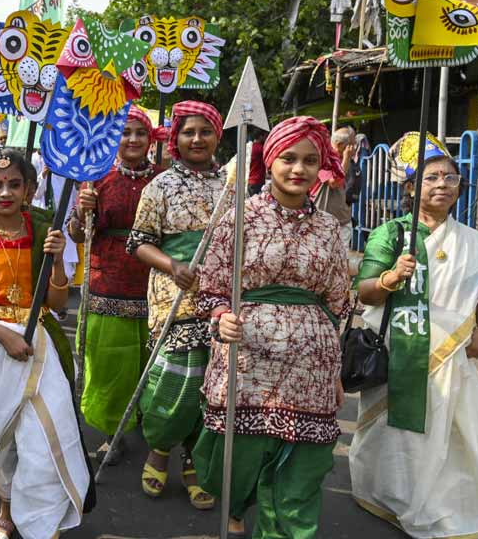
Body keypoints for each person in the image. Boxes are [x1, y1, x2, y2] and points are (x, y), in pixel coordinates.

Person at [350, 132, 478, 538]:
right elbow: (364, 290)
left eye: (450, 177)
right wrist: (392, 277)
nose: (443, 185)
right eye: (431, 178)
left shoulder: (471, 243)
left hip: (451, 357)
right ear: (411, 187)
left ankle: (444, 500)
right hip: (399, 353)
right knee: (398, 434)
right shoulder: (391, 234)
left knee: (451, 431)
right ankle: (394, 492)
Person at [193, 116, 350, 539]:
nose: (299, 169)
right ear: (269, 160)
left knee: (301, 474)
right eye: (288, 158)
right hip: (247, 365)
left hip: (311, 370)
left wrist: (334, 371)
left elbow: (338, 300)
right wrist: (220, 317)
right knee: (236, 465)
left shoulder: (330, 229)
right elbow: (211, 286)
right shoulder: (239, 217)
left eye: (310, 160)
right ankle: (238, 505)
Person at [0, 148, 93, 539]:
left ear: (29, 189)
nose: (5, 192)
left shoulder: (44, 235)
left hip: (39, 345)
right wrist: (4, 335)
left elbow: (57, 303)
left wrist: (60, 261)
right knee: (2, 436)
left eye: (15, 184)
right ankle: (6, 513)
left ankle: (43, 518)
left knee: (42, 435)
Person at [126, 101, 227, 511]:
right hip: (176, 297)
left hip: (223, 299)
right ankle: (159, 448)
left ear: (218, 135)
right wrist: (173, 265)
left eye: (205, 131)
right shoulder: (160, 187)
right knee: (177, 384)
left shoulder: (235, 186)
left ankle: (194, 460)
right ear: (175, 139)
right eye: (189, 132)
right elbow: (139, 243)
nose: (197, 139)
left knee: (214, 388)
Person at [67, 105, 161, 464]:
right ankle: (112, 430)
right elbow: (77, 234)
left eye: (140, 133)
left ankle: (148, 427)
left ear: (150, 138)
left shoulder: (164, 179)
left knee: (147, 363)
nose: (133, 139)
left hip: (153, 282)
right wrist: (82, 209)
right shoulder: (96, 178)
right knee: (108, 364)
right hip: (107, 281)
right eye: (125, 133)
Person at [314, 126, 358, 248]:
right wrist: (346, 158)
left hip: (343, 221)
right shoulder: (324, 159)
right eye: (352, 144)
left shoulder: (347, 160)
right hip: (322, 222)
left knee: (341, 259)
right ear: (339, 145)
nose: (354, 148)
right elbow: (334, 182)